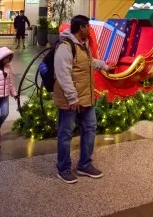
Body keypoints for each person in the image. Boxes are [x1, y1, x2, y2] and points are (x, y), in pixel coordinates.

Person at [54, 15, 114, 184]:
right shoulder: (65, 46)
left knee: (90, 128)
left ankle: (84, 165)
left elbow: (87, 62)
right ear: (81, 28)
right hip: (70, 100)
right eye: (88, 26)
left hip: (86, 97)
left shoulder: (83, 44)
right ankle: (63, 168)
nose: (90, 30)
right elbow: (63, 74)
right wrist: (72, 98)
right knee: (65, 133)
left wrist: (104, 65)